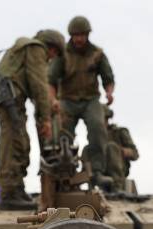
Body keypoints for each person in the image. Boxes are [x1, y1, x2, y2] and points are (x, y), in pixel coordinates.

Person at [0, 30, 65, 210]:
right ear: (51, 47)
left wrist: (48, 105)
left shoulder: (26, 47)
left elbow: (32, 86)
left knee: (20, 140)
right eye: (54, 54)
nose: (51, 59)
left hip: (9, 97)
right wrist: (45, 119)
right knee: (14, 142)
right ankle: (9, 194)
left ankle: (16, 189)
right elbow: (38, 85)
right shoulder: (37, 49)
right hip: (8, 98)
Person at [48, 16, 115, 189]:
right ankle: (64, 174)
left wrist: (109, 93)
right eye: (75, 35)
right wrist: (53, 99)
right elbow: (51, 81)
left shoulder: (97, 54)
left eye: (82, 35)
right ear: (71, 35)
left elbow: (108, 77)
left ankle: (97, 172)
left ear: (87, 35)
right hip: (67, 100)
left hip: (90, 100)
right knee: (62, 134)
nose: (79, 39)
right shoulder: (63, 54)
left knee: (98, 128)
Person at [102, 105, 139, 191]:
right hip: (100, 173)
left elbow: (135, 154)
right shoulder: (95, 137)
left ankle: (117, 187)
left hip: (119, 171)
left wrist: (121, 151)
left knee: (111, 147)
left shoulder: (119, 132)